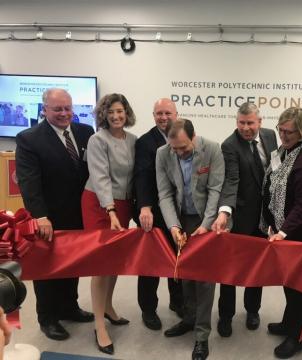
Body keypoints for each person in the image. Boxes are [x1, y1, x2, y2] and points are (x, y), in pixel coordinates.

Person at [16, 88, 94, 341]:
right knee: (47, 268)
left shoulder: (85, 132)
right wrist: (39, 216)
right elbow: (29, 183)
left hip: (79, 213)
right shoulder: (29, 139)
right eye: (57, 109)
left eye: (67, 108)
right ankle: (47, 318)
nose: (64, 113)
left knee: (72, 263)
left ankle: (69, 307)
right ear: (44, 110)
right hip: (48, 216)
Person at [260, 107, 302, 359]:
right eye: (281, 130)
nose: (283, 136)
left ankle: (298, 335)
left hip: (300, 234)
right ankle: (290, 323)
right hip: (284, 228)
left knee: (300, 287)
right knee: (289, 283)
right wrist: (272, 223)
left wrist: (284, 231)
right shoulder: (287, 151)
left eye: (289, 132)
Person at [157, 119, 224, 360]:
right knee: (183, 272)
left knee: (205, 280)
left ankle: (202, 336)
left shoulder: (212, 149)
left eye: (184, 148)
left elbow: (216, 189)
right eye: (174, 148)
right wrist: (174, 226)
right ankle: (189, 318)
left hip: (205, 219)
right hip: (180, 218)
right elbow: (164, 194)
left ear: (193, 138)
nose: (179, 153)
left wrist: (206, 225)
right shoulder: (162, 154)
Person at [211, 102, 278, 337]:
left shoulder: (271, 136)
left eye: (250, 123)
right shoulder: (229, 145)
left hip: (265, 216)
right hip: (241, 217)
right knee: (229, 271)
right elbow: (231, 180)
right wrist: (225, 211)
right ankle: (226, 315)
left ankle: (252, 310)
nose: (246, 128)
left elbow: (275, 172)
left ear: (260, 122)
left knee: (257, 268)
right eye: (241, 123)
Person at [81, 93, 137, 355]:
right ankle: (99, 323)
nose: (116, 116)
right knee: (101, 264)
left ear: (126, 113)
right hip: (99, 204)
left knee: (115, 262)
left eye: (120, 111)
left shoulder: (133, 140)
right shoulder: (97, 140)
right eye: (111, 112)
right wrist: (111, 210)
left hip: (122, 205)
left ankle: (109, 306)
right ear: (104, 114)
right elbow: (100, 177)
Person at [133, 98, 184, 331]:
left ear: (176, 114)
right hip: (152, 212)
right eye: (158, 113)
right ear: (153, 116)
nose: (163, 117)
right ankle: (148, 309)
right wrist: (145, 207)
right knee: (151, 264)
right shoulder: (145, 142)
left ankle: (178, 302)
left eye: (167, 113)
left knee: (178, 260)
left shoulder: (184, 135)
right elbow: (142, 176)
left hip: (179, 212)